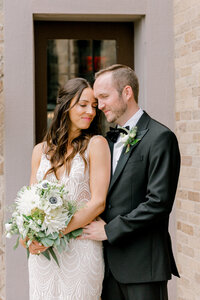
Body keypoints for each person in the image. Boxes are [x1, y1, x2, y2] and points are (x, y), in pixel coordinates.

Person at [80, 64, 180, 300]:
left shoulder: (161, 138)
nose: (99, 106)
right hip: (106, 268)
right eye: (97, 99)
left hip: (144, 267)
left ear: (127, 92)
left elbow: (158, 202)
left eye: (104, 97)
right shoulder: (105, 141)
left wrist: (109, 230)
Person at [20, 77, 111, 300]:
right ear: (65, 105)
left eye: (94, 106)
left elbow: (98, 202)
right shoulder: (39, 151)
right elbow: (30, 201)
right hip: (44, 255)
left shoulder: (96, 144)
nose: (90, 111)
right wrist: (28, 236)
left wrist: (53, 234)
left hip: (81, 248)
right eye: (83, 104)